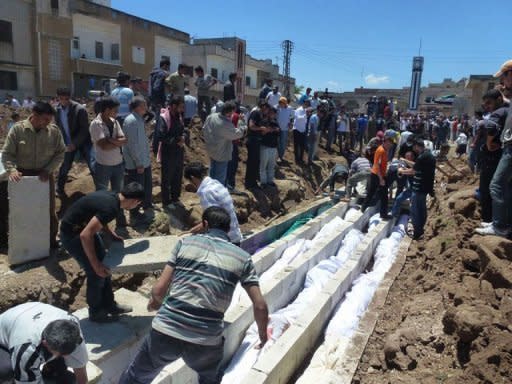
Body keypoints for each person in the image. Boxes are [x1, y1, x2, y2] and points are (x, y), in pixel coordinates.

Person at [119, 206, 268, 384]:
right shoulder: (243, 258)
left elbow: (158, 290)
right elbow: (260, 305)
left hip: (166, 331)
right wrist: (263, 336)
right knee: (208, 379)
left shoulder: (185, 244)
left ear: (205, 224)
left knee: (135, 378)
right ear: (228, 229)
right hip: (205, 340)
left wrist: (156, 303)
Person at [60, 183, 144, 322]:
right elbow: (85, 236)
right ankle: (96, 312)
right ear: (135, 201)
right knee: (96, 273)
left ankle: (110, 305)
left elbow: (98, 217)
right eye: (138, 204)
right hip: (73, 236)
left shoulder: (113, 197)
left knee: (105, 270)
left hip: (82, 229)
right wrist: (96, 264)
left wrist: (110, 234)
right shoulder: (111, 207)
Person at [1, 101, 65, 248]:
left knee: (48, 210)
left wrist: (48, 169)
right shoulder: (18, 130)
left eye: (50, 120)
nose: (48, 123)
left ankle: (50, 241)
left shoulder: (53, 131)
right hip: (23, 177)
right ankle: (26, 242)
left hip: (44, 175)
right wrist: (12, 170)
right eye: (46, 120)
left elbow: (60, 153)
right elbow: (7, 154)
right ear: (35, 115)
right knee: (25, 210)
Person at [0, 302, 88, 384]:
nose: (67, 356)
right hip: (3, 339)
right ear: (45, 343)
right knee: (6, 370)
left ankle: (49, 371)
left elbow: (81, 370)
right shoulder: (26, 348)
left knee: (63, 372)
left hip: (29, 315)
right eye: (62, 353)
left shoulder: (73, 328)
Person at [90, 97, 127, 227]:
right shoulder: (96, 124)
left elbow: (124, 139)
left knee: (119, 194)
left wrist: (111, 140)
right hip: (103, 166)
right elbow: (103, 146)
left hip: (118, 164)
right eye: (115, 110)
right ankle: (101, 225)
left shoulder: (115, 122)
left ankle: (120, 221)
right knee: (102, 195)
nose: (117, 112)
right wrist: (116, 142)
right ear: (107, 110)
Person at [184, 163, 242, 244]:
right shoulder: (215, 183)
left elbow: (213, 221)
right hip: (235, 234)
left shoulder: (206, 192)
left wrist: (192, 232)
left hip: (226, 241)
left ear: (193, 178)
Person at [55, 87, 94, 197]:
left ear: (70, 98)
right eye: (61, 98)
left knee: (92, 165)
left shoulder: (79, 109)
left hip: (84, 142)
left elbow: (84, 129)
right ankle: (60, 189)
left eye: (66, 98)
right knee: (64, 167)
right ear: (58, 98)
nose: (64, 101)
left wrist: (75, 144)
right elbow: (58, 128)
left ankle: (101, 190)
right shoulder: (57, 110)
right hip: (68, 143)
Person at [398, 138, 436, 239]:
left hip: (418, 188)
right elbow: (417, 166)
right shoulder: (430, 156)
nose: (413, 149)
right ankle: (421, 229)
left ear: (416, 146)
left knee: (415, 211)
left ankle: (417, 233)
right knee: (422, 209)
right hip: (425, 188)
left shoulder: (421, 157)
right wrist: (405, 160)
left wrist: (401, 171)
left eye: (414, 147)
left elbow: (413, 171)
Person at [122, 97, 153, 221]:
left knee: (146, 185)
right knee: (136, 189)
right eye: (144, 105)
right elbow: (132, 144)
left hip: (144, 161)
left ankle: (146, 205)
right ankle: (134, 214)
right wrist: (138, 163)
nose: (146, 108)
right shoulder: (131, 121)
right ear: (137, 107)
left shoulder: (139, 119)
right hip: (136, 164)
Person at [202, 101, 246, 186]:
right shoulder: (225, 124)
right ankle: (218, 197)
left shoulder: (211, 116)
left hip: (212, 151)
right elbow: (237, 134)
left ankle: (210, 195)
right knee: (219, 180)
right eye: (233, 112)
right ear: (229, 112)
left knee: (212, 175)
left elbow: (204, 129)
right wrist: (241, 122)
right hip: (221, 155)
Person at [153, 96, 186, 206]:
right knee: (167, 178)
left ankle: (175, 198)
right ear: (173, 106)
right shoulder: (163, 117)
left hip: (178, 152)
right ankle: (166, 202)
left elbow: (183, 130)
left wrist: (184, 137)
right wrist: (176, 140)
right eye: (180, 107)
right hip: (168, 152)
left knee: (177, 176)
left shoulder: (179, 116)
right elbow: (161, 136)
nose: (182, 109)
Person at [361, 137, 393, 219]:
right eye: (389, 144)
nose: (390, 146)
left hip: (378, 174)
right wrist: (381, 179)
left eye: (391, 144)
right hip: (377, 175)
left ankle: (363, 208)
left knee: (373, 193)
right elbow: (377, 165)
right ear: (385, 142)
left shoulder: (384, 150)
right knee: (382, 195)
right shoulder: (381, 150)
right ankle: (383, 214)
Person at [245, 102, 270, 189]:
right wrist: (260, 128)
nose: (267, 112)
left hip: (257, 141)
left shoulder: (261, 115)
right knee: (252, 162)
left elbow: (260, 130)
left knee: (256, 162)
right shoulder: (255, 113)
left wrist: (265, 131)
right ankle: (249, 184)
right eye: (267, 109)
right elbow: (251, 126)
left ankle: (253, 182)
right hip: (252, 140)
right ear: (263, 107)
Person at [259, 106, 280, 186]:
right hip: (265, 146)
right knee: (263, 166)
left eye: (274, 113)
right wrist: (270, 130)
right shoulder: (264, 121)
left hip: (273, 147)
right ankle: (263, 182)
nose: (272, 114)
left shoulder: (276, 122)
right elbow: (262, 132)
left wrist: (271, 130)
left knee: (271, 166)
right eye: (271, 113)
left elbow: (278, 132)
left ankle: (270, 181)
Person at [276, 97, 294, 162]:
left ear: (285, 103)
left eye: (281, 103)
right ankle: (277, 156)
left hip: (285, 129)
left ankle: (280, 157)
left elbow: (292, 117)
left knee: (283, 143)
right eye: (279, 103)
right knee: (277, 143)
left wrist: (291, 123)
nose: (280, 104)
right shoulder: (278, 107)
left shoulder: (290, 108)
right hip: (277, 129)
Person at [293, 100, 308, 164]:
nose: (306, 105)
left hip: (302, 130)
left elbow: (305, 121)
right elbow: (297, 117)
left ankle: (301, 159)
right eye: (306, 103)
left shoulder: (305, 110)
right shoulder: (298, 110)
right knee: (296, 146)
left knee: (302, 146)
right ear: (303, 103)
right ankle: (297, 159)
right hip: (297, 129)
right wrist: (304, 116)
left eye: (307, 104)